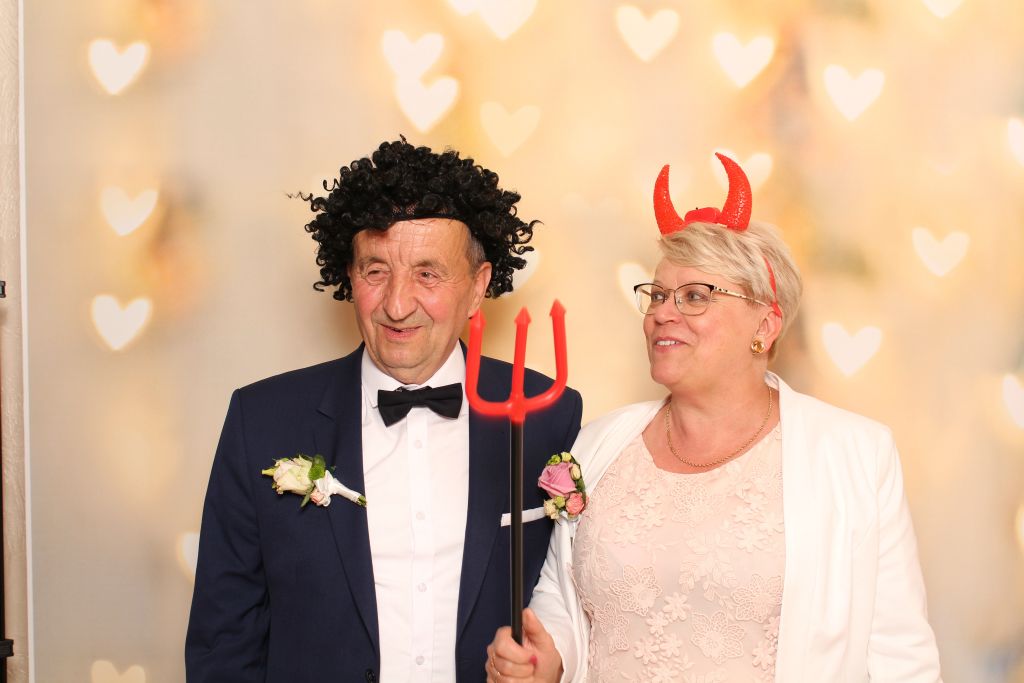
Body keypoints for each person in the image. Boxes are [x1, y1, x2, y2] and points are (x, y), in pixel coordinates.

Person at [485, 153, 941, 682]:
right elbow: (563, 596)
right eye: (657, 295)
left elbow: (900, 656)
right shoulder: (597, 446)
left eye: (695, 297)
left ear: (765, 326)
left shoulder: (855, 455)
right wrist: (550, 658)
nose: (662, 312)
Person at [185, 138, 583, 682]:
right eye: (376, 271)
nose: (397, 304)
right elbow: (224, 638)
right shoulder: (261, 421)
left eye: (427, 274)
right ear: (350, 276)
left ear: (478, 287)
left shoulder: (547, 415)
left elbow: (575, 595)